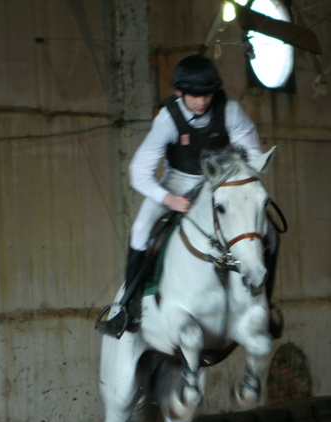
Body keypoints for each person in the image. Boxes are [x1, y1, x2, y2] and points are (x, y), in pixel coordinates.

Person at [97, 54, 280, 338]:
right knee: (141, 228)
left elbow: (252, 154)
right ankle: (127, 308)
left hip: (220, 182)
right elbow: (138, 171)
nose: (202, 101)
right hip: (178, 182)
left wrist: (238, 177)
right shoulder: (167, 119)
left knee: (270, 232)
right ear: (179, 92)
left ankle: (266, 302)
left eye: (207, 94)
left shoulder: (230, 110)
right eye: (195, 95)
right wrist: (168, 199)